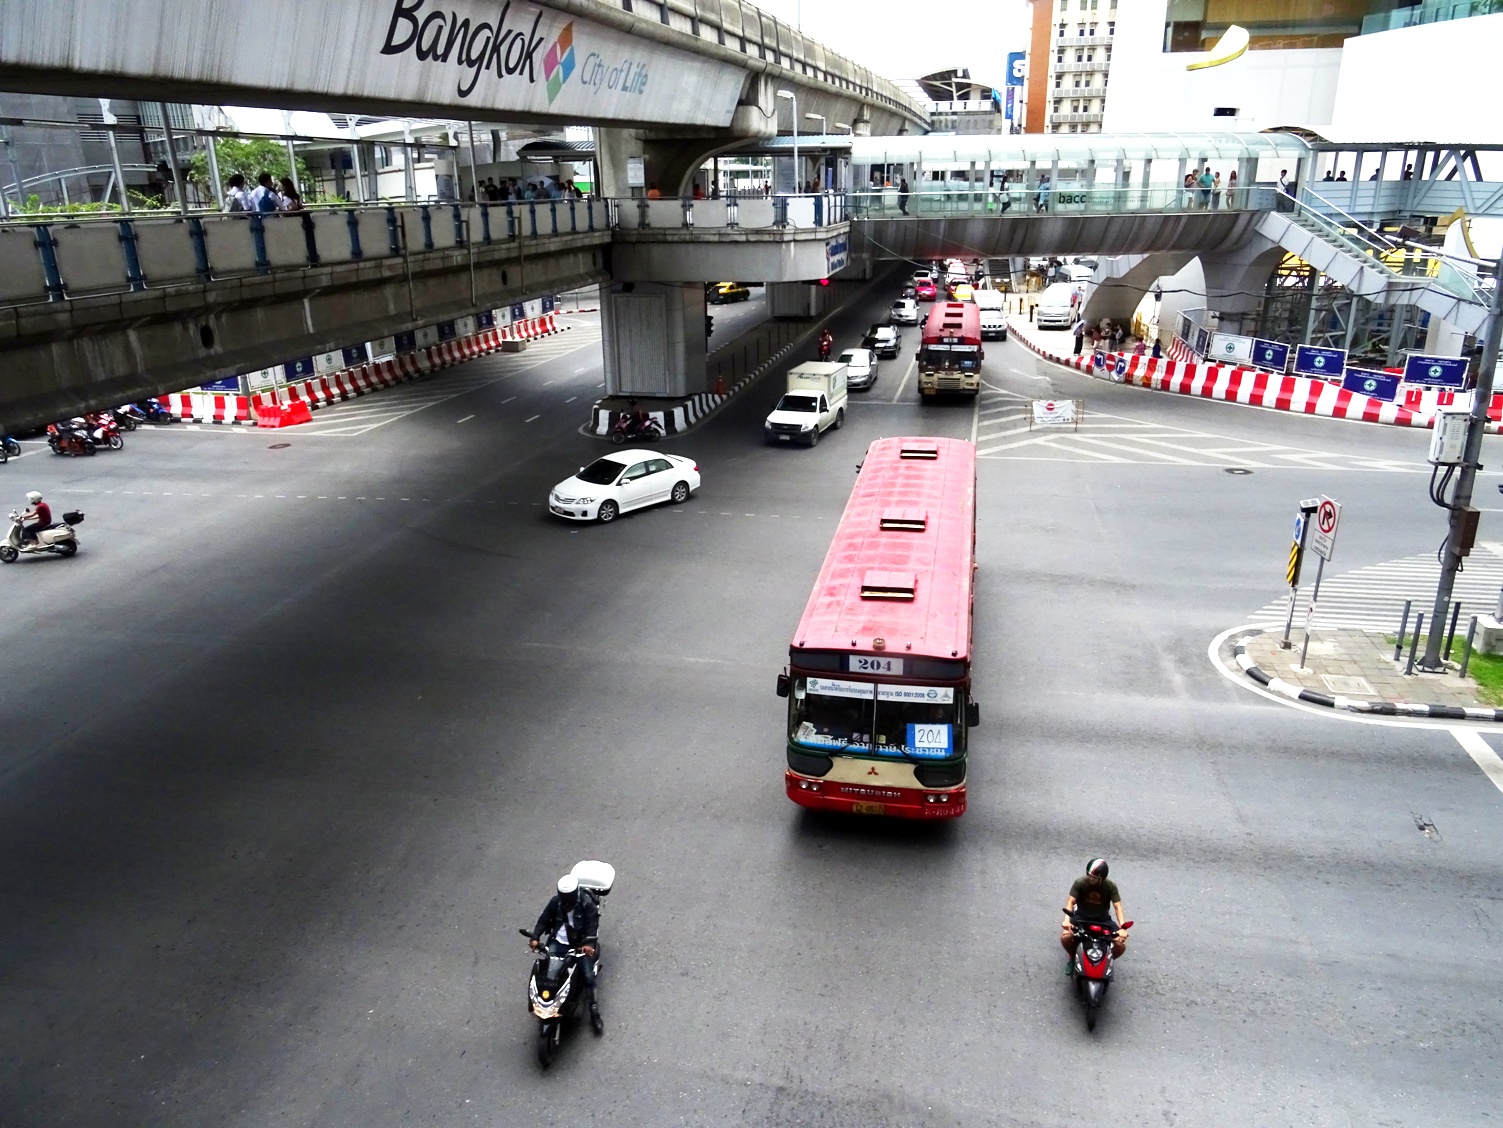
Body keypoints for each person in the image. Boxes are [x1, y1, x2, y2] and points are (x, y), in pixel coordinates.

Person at [531, 875, 603, 1034]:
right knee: (547, 972)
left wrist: (588, 945)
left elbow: (592, 924)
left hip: (579, 945)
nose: (567, 905)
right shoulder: (555, 902)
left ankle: (594, 1011)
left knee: (588, 976)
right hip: (558, 942)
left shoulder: (586, 903)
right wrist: (535, 937)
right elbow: (543, 920)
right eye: (565, 902)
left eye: (569, 903)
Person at [1060, 858, 1128, 961]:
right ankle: (1073, 957)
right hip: (1081, 916)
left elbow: (1117, 907)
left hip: (1103, 919)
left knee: (1120, 944)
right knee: (1065, 937)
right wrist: (1066, 920)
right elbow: (1071, 902)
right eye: (1089, 875)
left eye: (1094, 877)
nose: (1090, 878)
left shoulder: (1110, 886)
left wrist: (1123, 928)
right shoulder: (1080, 883)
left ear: (1102, 878)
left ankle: (1107, 960)